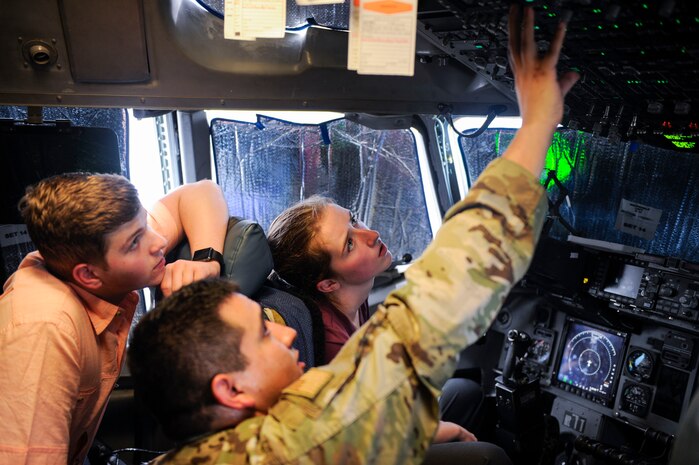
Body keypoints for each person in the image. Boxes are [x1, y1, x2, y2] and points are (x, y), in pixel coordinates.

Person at [127, 5, 579, 464]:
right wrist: (539, 123)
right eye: (263, 335)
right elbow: (433, 306)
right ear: (230, 388)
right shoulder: (288, 444)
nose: (284, 336)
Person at [0, 173, 229, 465]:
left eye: (145, 224)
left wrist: (206, 260)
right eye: (135, 242)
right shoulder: (43, 329)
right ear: (88, 275)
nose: (159, 241)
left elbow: (200, 192)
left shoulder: (92, 249)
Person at [267, 195, 485, 442]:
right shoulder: (332, 343)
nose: (371, 234)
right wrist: (451, 431)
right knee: (489, 455)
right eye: (349, 244)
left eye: (354, 221)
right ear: (328, 284)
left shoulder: (352, 299)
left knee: (464, 392)